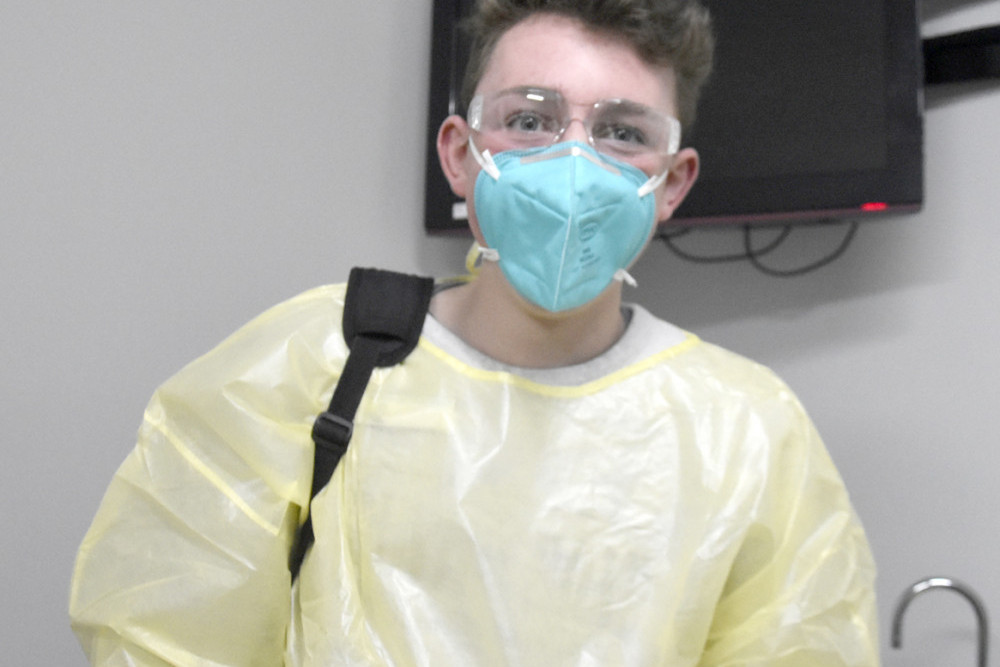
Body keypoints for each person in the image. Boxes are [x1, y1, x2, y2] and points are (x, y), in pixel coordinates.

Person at [70, 0, 881, 665]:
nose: (574, 165)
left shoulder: (747, 431)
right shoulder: (312, 366)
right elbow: (162, 638)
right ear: (460, 156)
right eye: (530, 120)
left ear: (672, 184)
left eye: (624, 133)